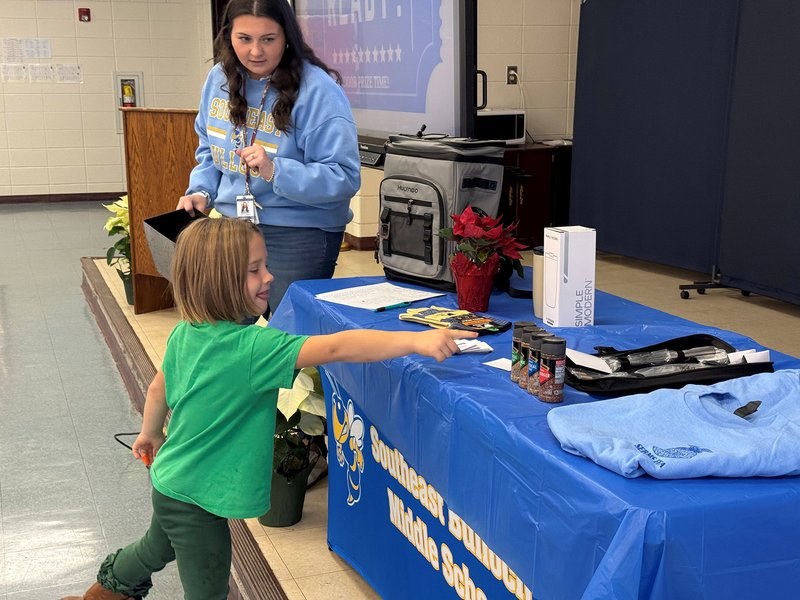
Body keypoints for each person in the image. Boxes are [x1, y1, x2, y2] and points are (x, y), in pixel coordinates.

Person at [62, 218, 475, 600]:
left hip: (171, 482)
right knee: (207, 587)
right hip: (198, 503)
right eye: (255, 270)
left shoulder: (186, 332)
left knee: (155, 547)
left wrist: (150, 434)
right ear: (219, 282)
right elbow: (335, 347)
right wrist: (415, 342)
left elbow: (158, 388)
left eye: (266, 266)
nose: (269, 277)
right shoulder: (253, 349)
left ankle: (106, 591)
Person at [177, 0, 361, 315]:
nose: (255, 52)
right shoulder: (218, 79)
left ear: (287, 37)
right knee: (221, 328)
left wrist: (275, 170)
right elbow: (209, 148)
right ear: (228, 36)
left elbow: (343, 176)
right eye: (244, 39)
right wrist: (200, 191)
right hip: (236, 226)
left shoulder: (318, 90)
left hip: (299, 230)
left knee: (284, 340)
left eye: (268, 39)